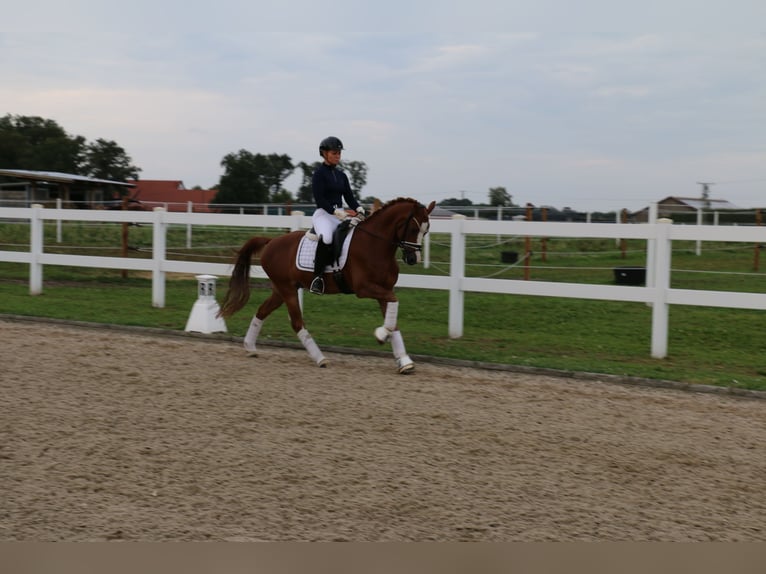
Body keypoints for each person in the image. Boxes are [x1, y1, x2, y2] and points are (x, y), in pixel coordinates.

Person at [309, 136, 365, 294]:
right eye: (334, 153)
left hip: (339, 214)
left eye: (339, 153)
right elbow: (320, 200)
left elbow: (349, 197)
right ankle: (317, 278)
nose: (338, 156)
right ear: (324, 153)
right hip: (324, 214)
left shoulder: (342, 175)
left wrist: (359, 208)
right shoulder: (319, 174)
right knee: (326, 237)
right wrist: (334, 211)